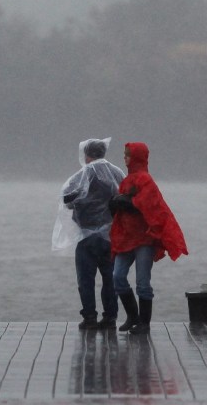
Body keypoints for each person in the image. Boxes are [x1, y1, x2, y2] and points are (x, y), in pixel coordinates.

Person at [109, 142, 188, 334]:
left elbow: (149, 206)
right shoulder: (128, 181)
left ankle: (144, 323)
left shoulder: (145, 180)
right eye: (125, 155)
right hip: (127, 238)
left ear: (136, 158)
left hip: (145, 239)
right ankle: (132, 316)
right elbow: (126, 207)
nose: (125, 158)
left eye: (128, 155)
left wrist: (128, 202)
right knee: (118, 277)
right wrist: (121, 203)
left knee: (142, 282)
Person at [52, 137, 126, 329]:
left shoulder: (81, 175)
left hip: (86, 236)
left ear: (86, 155)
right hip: (111, 236)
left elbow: (67, 198)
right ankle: (110, 317)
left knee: (86, 280)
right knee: (110, 279)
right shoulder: (117, 173)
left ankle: (90, 317)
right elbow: (126, 197)